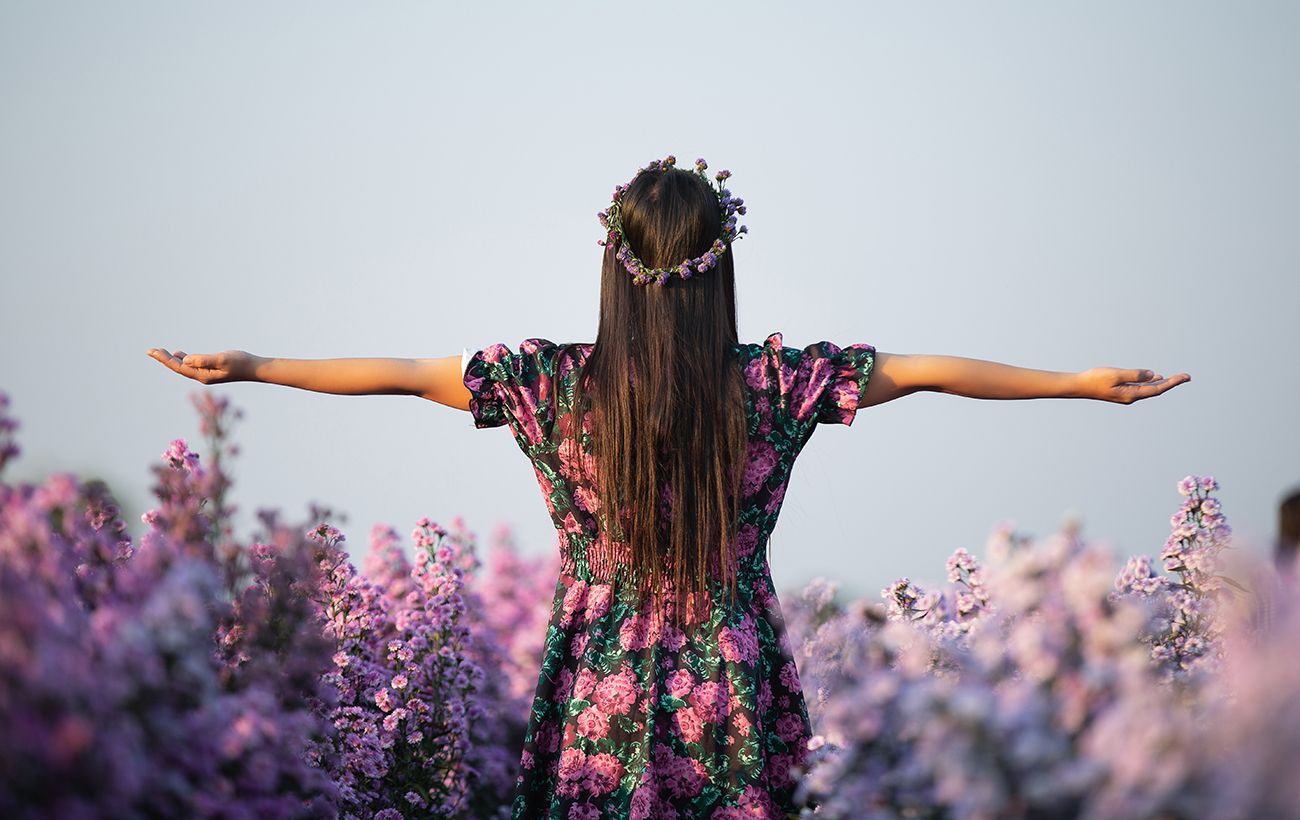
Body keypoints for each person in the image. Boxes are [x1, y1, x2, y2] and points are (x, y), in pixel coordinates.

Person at [147, 155, 1190, 819]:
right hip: (732, 678)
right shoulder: (773, 385)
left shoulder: (550, 384)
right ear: (719, 265)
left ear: (613, 265)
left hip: (594, 688)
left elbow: (395, 373)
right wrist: (1082, 387)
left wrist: (250, 365)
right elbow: (924, 371)